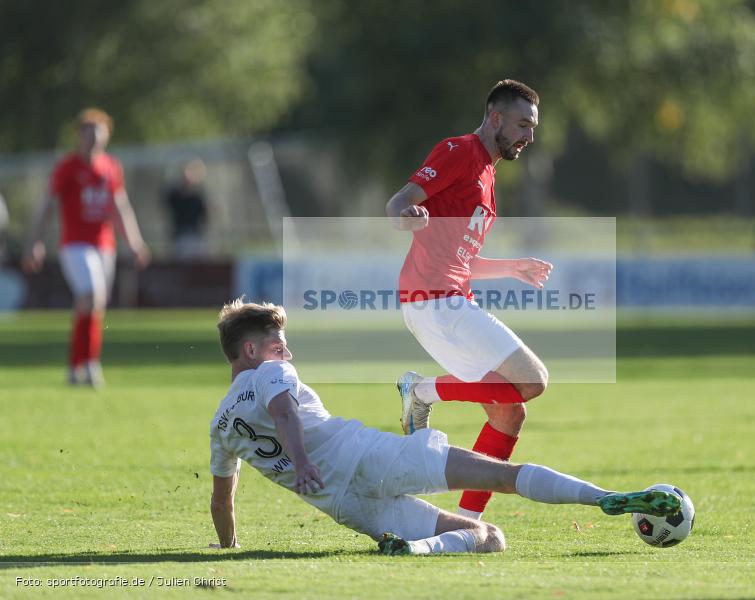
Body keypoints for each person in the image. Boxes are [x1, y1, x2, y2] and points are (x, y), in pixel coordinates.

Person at [208, 298, 681, 555]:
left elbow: (222, 500)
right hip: (370, 459)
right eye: (278, 343)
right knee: (501, 474)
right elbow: (285, 413)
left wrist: (228, 545)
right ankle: (605, 499)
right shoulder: (272, 372)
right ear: (251, 351)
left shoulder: (220, 424)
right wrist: (305, 459)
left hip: (345, 506)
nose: (287, 353)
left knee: (488, 537)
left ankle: (415, 551)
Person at [385, 79, 553, 521]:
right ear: (495, 118)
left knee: (508, 414)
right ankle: (420, 390)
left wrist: (512, 268)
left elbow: (463, 258)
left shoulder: (487, 173)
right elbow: (399, 202)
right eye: (521, 124)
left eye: (532, 128)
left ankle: (467, 522)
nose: (529, 136)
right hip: (436, 302)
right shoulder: (460, 152)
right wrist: (407, 216)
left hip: (444, 300)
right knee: (534, 379)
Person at [22, 108, 150, 387]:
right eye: (87, 131)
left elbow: (120, 207)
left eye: (98, 131)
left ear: (106, 135)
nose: (92, 137)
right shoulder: (67, 167)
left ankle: (81, 364)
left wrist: (135, 242)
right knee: (90, 294)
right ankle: (87, 365)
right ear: (78, 136)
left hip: (104, 245)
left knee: (94, 306)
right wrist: (35, 242)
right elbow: (47, 206)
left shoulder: (111, 167)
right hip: (75, 245)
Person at [165, 158, 210, 257]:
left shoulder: (198, 195)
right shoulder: (175, 193)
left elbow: (203, 214)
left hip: (195, 234)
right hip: (179, 235)